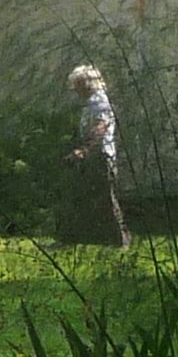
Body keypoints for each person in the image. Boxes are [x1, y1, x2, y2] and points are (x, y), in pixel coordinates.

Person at [64, 63, 129, 251]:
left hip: (100, 157)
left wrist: (85, 150)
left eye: (77, 85)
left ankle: (120, 241)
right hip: (93, 156)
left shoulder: (99, 102)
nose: (75, 90)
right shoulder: (90, 103)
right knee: (82, 198)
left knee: (106, 200)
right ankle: (74, 238)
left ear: (87, 84)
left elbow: (101, 127)